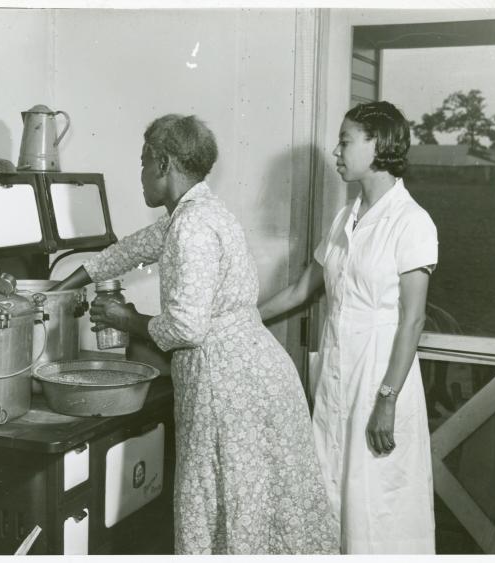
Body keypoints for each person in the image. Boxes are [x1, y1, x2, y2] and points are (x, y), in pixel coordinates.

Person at [52, 114, 339, 555]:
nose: (141, 172)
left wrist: (124, 317)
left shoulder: (191, 226)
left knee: (225, 498)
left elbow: (186, 325)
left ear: (164, 164)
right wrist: (59, 290)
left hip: (226, 384)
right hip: (254, 371)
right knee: (263, 502)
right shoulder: (198, 211)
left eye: (145, 161)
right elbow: (127, 251)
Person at [259, 101, 437, 554]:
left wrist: (387, 399)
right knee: (331, 496)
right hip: (338, 374)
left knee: (378, 507)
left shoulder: (412, 222)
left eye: (345, 140)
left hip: (381, 378)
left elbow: (412, 320)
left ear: (378, 144)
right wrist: (243, 317)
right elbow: (302, 289)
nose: (336, 151)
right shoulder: (345, 218)